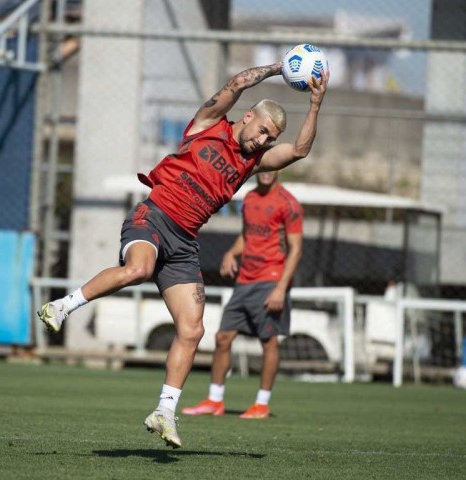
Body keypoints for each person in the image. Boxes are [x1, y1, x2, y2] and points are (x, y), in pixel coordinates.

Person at [38, 61, 329, 448]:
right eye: (262, 131)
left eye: (270, 138)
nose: (263, 141)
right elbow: (238, 82)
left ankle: (164, 412)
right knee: (138, 270)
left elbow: (301, 150)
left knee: (193, 330)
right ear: (247, 118)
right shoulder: (208, 124)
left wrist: (315, 104)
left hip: (185, 242)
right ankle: (62, 306)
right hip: (154, 217)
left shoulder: (252, 163)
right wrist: (279, 67)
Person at [181, 170, 302, 420]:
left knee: (268, 341)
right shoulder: (248, 199)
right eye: (263, 166)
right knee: (223, 337)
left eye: (272, 166)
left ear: (280, 168)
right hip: (245, 280)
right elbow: (247, 236)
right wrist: (231, 253)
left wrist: (281, 287)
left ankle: (262, 404)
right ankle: (214, 400)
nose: (267, 172)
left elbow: (296, 249)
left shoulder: (288, 203)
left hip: (271, 280)